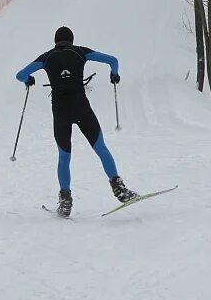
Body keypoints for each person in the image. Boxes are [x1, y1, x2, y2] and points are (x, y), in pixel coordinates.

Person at [15, 26, 136, 217]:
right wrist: (114, 74)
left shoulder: (46, 57)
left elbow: (20, 75)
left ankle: (65, 201)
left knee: (64, 157)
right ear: (71, 40)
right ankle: (119, 189)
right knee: (101, 148)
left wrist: (28, 79)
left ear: (56, 41)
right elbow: (113, 60)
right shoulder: (80, 52)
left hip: (61, 111)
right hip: (81, 107)